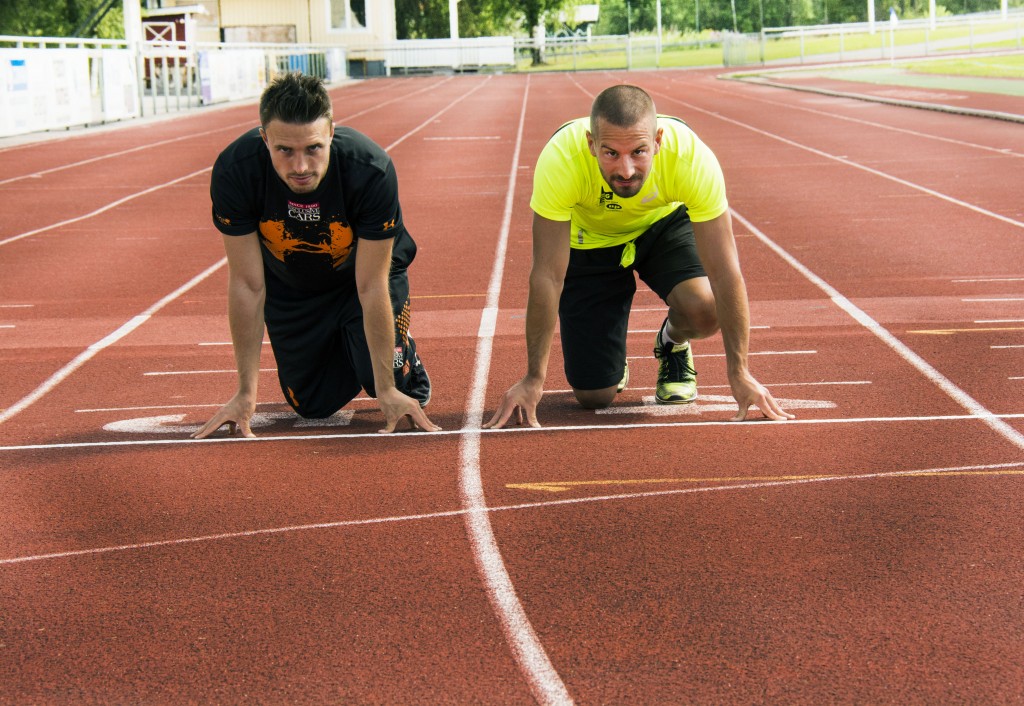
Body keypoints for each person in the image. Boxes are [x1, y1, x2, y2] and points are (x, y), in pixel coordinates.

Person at [484, 84, 793, 429]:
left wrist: (740, 372)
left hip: (661, 224)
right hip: (591, 241)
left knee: (706, 309)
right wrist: (533, 378)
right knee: (593, 396)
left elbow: (725, 271)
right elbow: (547, 275)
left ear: (658, 141)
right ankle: (610, 357)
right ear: (590, 144)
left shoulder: (691, 159)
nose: (626, 170)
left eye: (639, 152)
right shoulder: (561, 161)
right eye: (611, 153)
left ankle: (672, 342)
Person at [193, 72, 439, 438]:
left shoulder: (369, 170)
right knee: (312, 405)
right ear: (264, 139)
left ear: (330, 133)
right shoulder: (236, 171)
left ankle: (397, 360)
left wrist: (386, 389)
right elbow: (247, 283)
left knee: (390, 385)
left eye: (313, 148)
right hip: (291, 284)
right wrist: (246, 393)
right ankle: (349, 344)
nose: (301, 167)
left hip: (361, 275)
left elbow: (371, 285)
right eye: (284, 151)